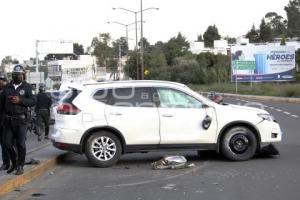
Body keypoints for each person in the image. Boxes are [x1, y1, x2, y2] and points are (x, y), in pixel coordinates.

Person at [0, 65, 35, 175]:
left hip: (21, 121)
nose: (20, 76)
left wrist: (20, 101)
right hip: (8, 121)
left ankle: (20, 166)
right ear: (13, 75)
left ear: (23, 75)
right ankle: (14, 163)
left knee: (20, 144)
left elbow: (33, 101)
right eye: (17, 75)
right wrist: (2, 117)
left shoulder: (27, 87)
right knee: (7, 143)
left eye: (21, 74)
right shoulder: (7, 88)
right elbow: (1, 105)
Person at [0, 74, 10, 170]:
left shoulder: (7, 91)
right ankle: (6, 163)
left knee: (6, 143)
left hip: (6, 121)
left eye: (1, 80)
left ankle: (8, 163)